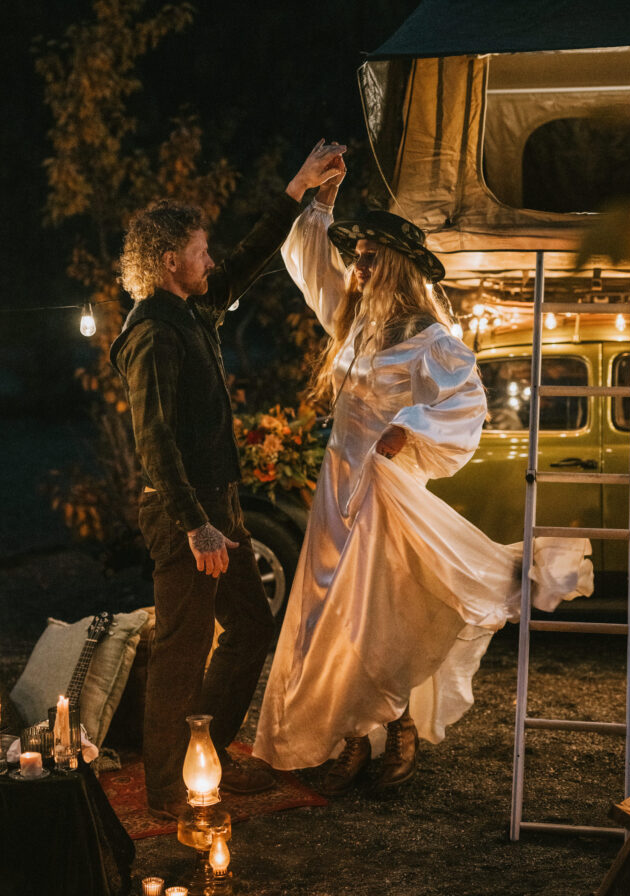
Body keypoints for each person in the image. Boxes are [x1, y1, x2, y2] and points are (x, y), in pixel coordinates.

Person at [253, 158, 592, 794]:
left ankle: (399, 728)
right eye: (358, 256)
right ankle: (351, 738)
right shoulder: (353, 323)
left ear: (398, 266)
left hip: (387, 492)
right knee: (330, 616)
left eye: (372, 258)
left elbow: (466, 405)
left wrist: (409, 423)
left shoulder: (428, 337)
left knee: (374, 616)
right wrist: (321, 204)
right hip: (338, 490)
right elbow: (307, 262)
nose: (359, 267)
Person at [111, 140, 346, 820]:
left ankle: (204, 751)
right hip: (186, 516)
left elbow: (245, 260)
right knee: (180, 650)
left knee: (248, 624)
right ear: (168, 261)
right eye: (199, 250)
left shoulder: (192, 311)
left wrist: (297, 188)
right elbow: (153, 442)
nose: (210, 259)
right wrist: (196, 524)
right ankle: (164, 792)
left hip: (220, 509)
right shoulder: (153, 331)